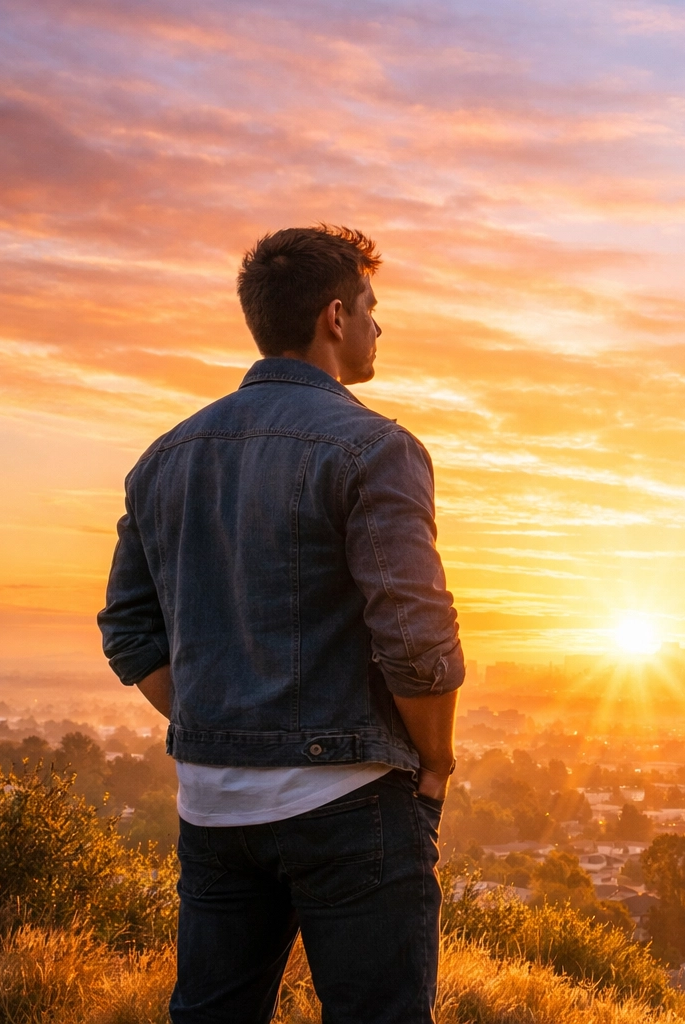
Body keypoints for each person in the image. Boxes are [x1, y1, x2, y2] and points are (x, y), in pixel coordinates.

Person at [99, 225, 463, 1023]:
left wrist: (221, 727)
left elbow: (128, 631)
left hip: (213, 807)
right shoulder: (375, 447)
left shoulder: (163, 457)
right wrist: (435, 762)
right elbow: (417, 641)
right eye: (370, 307)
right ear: (335, 317)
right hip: (350, 800)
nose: (377, 325)